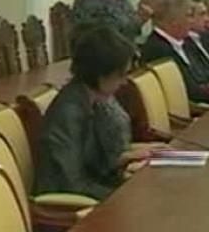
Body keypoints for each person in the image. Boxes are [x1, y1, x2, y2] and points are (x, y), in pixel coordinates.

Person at [34, 25, 148, 200]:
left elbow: (96, 162)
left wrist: (126, 165)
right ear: (101, 73)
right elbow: (71, 185)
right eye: (121, 75)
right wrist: (125, 195)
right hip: (70, 205)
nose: (125, 82)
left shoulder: (93, 98)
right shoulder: (67, 114)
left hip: (93, 190)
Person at [140, 0, 209, 104]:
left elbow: (202, 74)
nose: (191, 21)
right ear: (174, 21)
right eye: (189, 16)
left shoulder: (184, 42)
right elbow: (184, 91)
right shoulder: (158, 49)